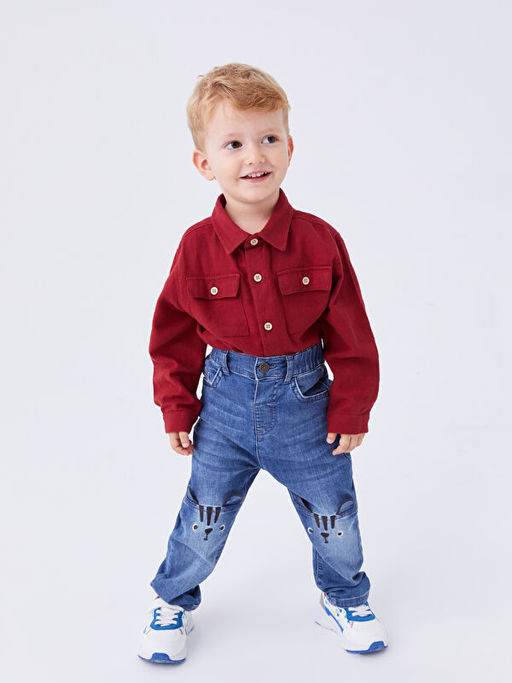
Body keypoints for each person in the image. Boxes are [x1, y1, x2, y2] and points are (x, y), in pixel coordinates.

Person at [137, 62, 388, 664]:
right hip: (224, 408)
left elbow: (352, 333)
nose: (255, 156)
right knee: (203, 517)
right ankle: (173, 600)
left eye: (269, 138)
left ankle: (344, 598)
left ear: (290, 147)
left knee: (334, 513)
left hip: (307, 408)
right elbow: (173, 334)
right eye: (234, 144)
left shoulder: (320, 240)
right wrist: (177, 406)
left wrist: (352, 406)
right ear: (204, 162)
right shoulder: (195, 247)